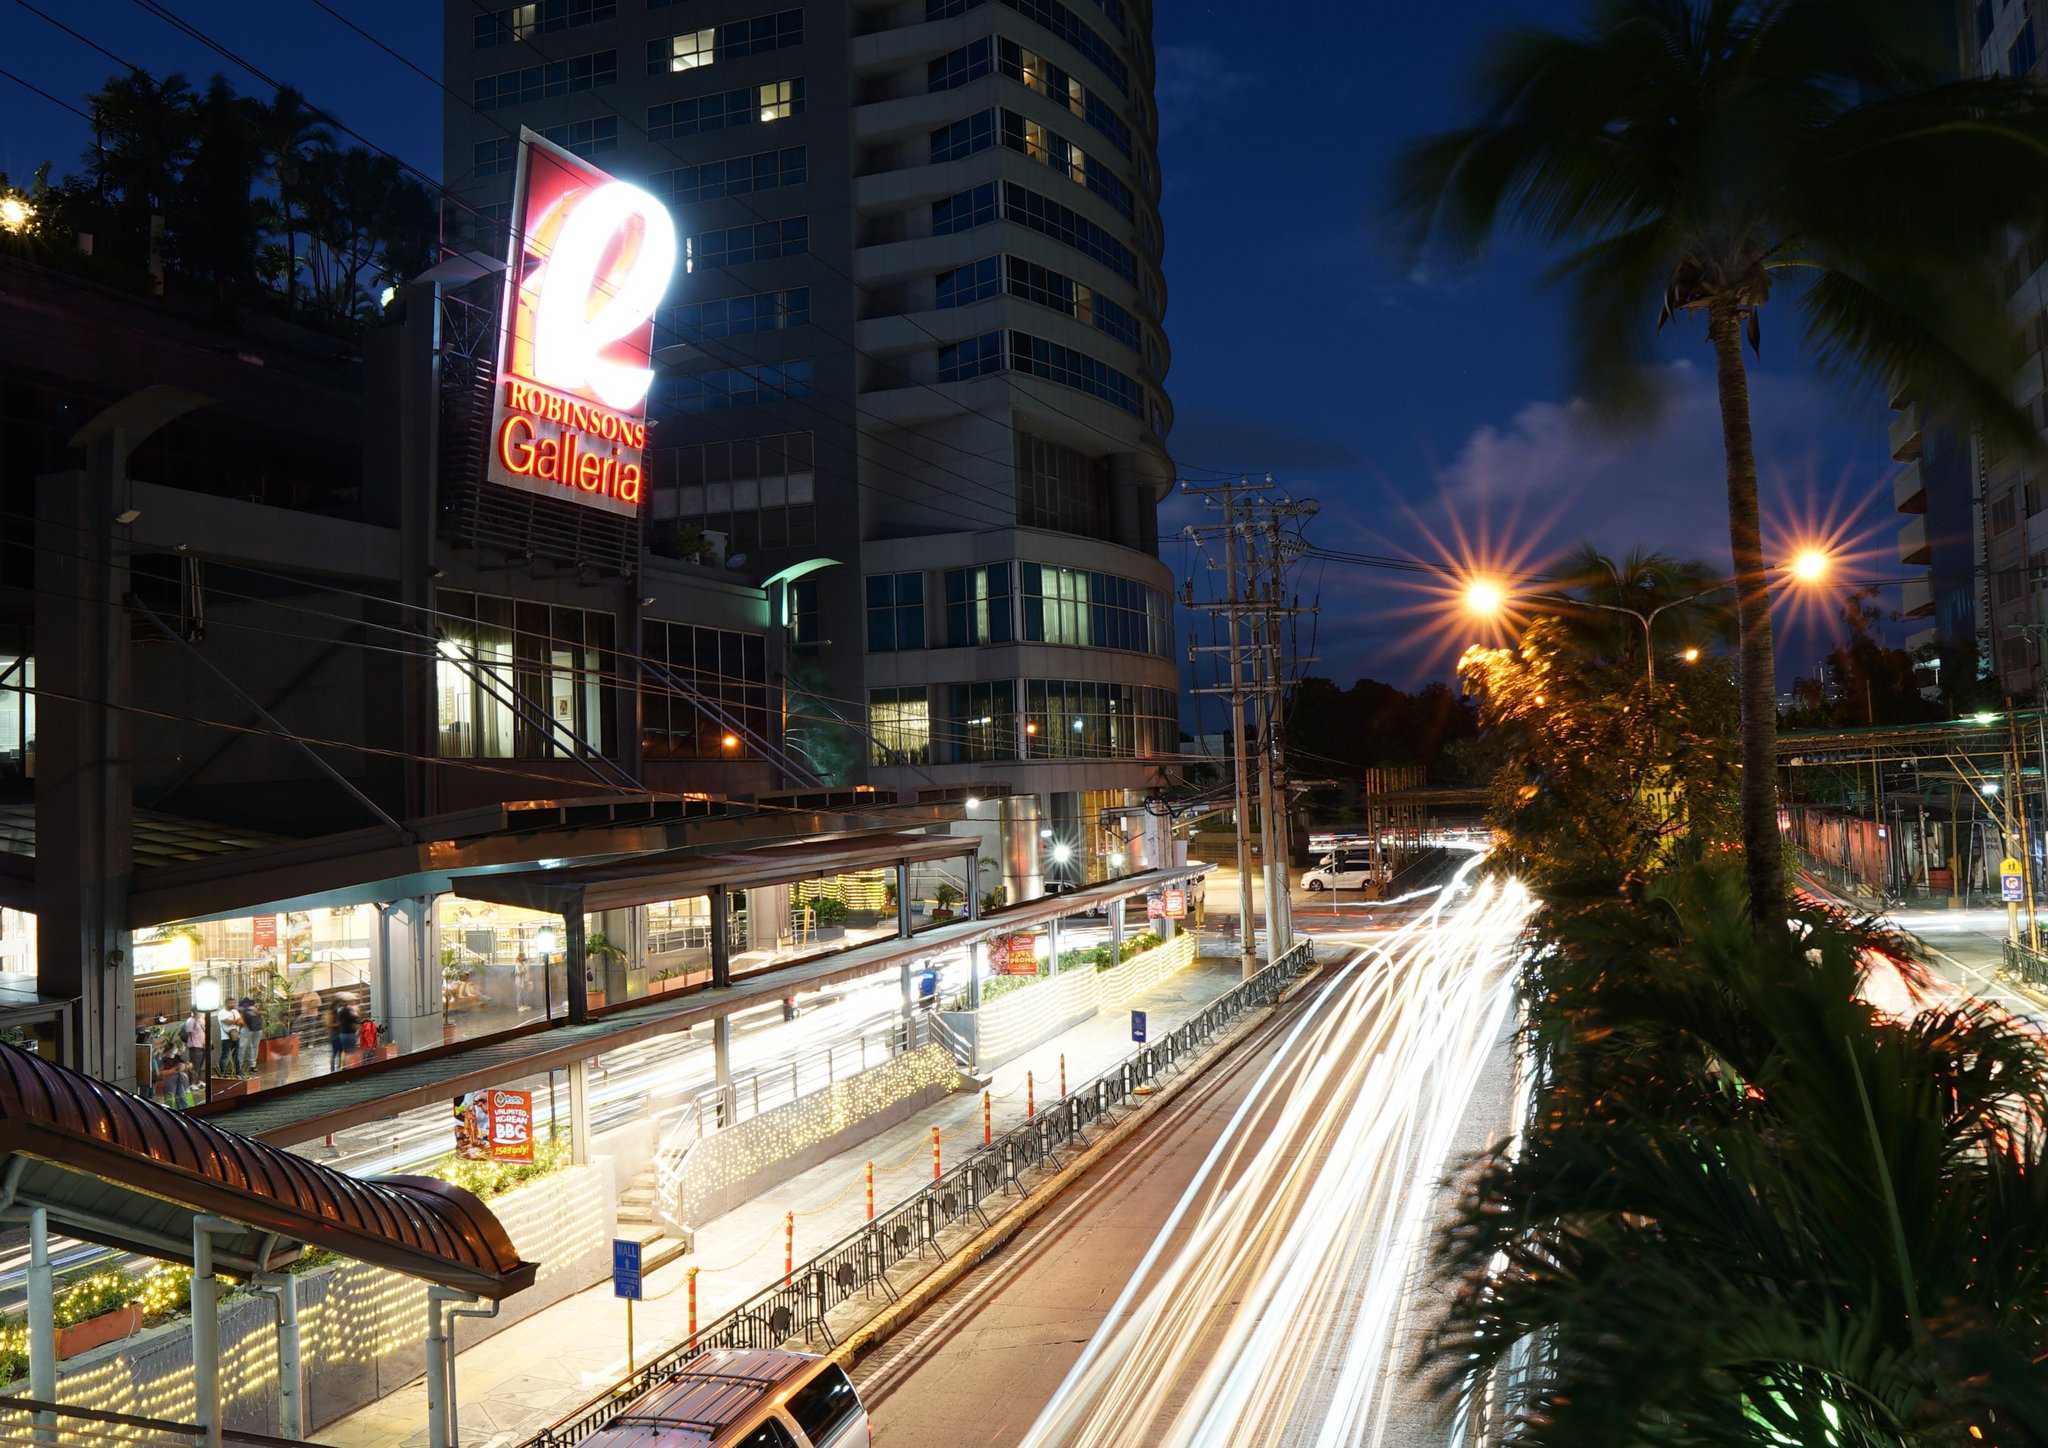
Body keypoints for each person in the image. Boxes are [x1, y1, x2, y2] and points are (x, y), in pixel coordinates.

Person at [329, 997, 358, 1072]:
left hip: (342, 1034)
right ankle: (347, 1068)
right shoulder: (348, 1011)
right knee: (350, 1052)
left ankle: (342, 1067)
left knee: (343, 1052)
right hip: (346, 1034)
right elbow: (355, 1019)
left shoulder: (339, 1012)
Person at [237, 997, 261, 1075]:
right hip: (255, 1029)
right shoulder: (252, 1008)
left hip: (248, 1029)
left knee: (243, 1047)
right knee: (253, 1047)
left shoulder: (241, 1008)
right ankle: (251, 1065)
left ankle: (241, 1066)